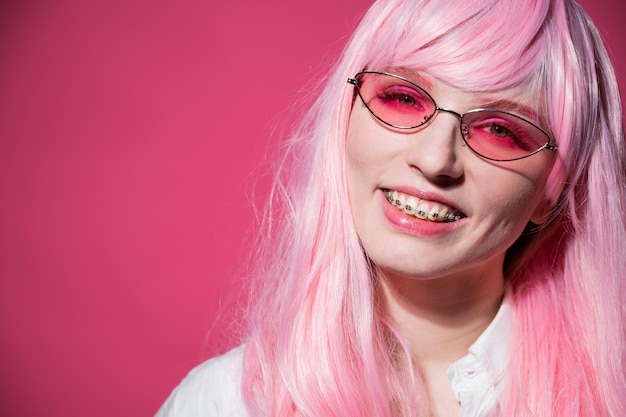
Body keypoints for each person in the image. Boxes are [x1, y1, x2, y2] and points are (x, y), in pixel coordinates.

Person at [156, 0, 626, 415]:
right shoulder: (225, 403)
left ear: (553, 190)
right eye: (403, 97)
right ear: (345, 118)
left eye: (500, 130)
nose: (434, 159)